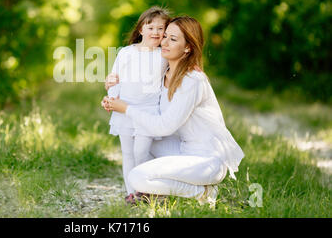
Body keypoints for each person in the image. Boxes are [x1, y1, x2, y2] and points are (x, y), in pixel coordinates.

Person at [103, 16, 245, 208]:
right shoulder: (165, 72)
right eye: (165, 36)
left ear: (188, 48)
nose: (164, 42)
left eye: (173, 39)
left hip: (206, 159)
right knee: (140, 144)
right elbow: (136, 77)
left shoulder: (192, 80)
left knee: (138, 177)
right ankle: (163, 192)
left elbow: (164, 126)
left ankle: (201, 191)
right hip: (183, 149)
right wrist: (113, 82)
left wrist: (126, 109)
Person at [104, 6, 170, 203]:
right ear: (141, 29)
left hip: (148, 112)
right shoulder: (126, 53)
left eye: (161, 29)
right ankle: (132, 193)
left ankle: (146, 189)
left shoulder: (163, 55)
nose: (156, 32)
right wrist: (111, 96)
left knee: (141, 152)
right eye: (151, 28)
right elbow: (115, 79)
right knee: (128, 153)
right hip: (123, 109)